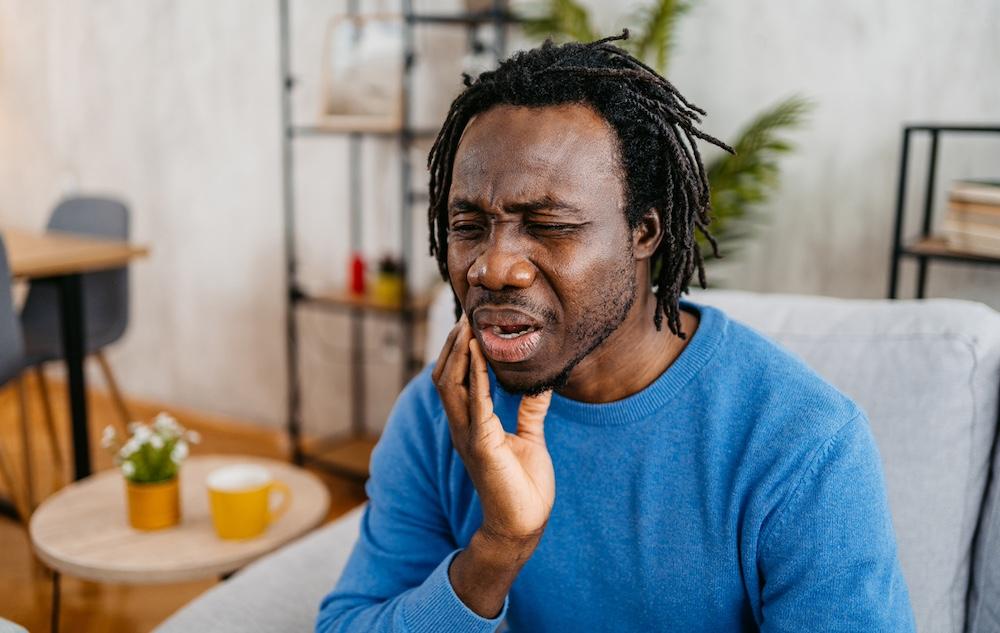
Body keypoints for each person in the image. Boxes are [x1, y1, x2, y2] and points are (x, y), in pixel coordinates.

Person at [316, 31, 915, 632]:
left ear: (644, 232)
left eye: (547, 224)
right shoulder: (438, 414)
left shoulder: (802, 445)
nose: (492, 266)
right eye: (469, 225)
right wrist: (496, 550)